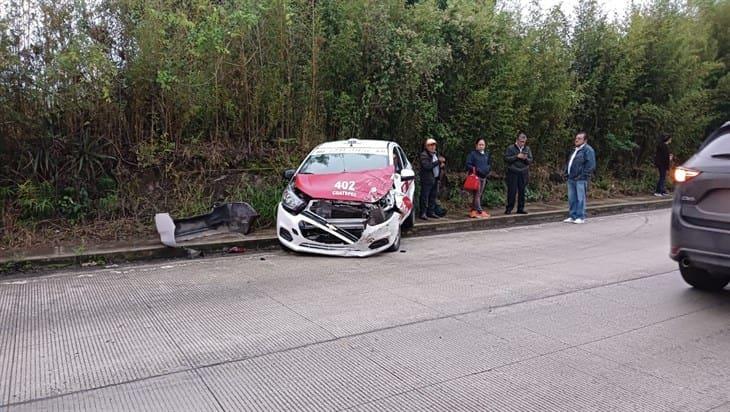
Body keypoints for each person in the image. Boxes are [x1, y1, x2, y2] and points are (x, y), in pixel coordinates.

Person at [563, 131, 596, 224]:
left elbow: (591, 165)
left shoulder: (588, 150)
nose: (576, 140)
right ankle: (573, 216)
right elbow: (570, 162)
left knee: (580, 198)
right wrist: (566, 172)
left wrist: (582, 175)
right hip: (571, 178)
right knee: (571, 198)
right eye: (576, 138)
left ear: (585, 140)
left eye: (579, 138)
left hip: (581, 179)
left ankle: (580, 217)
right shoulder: (575, 150)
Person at [504, 131, 533, 214]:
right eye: (521, 141)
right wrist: (516, 156)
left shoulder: (527, 149)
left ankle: (520, 208)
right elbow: (506, 159)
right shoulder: (510, 148)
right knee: (512, 191)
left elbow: (530, 160)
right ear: (517, 140)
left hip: (523, 172)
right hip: (513, 172)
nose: (522, 143)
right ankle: (509, 208)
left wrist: (525, 159)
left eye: (524, 142)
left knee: (522, 191)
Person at [419, 138, 445, 220]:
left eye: (434, 145)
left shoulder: (435, 154)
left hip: (435, 178)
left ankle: (431, 212)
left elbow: (436, 165)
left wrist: (441, 165)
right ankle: (423, 213)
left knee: (433, 197)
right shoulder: (424, 155)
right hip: (427, 179)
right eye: (430, 145)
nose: (433, 147)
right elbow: (427, 166)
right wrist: (438, 162)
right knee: (425, 196)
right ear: (426, 146)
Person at [465, 138, 491, 218]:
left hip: (484, 176)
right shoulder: (472, 154)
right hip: (476, 177)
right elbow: (468, 164)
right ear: (476, 145)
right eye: (479, 144)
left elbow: (489, 164)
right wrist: (476, 169)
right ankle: (479, 210)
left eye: (483, 144)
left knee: (479, 194)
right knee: (477, 194)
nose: (481, 146)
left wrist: (487, 170)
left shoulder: (486, 154)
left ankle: (473, 210)